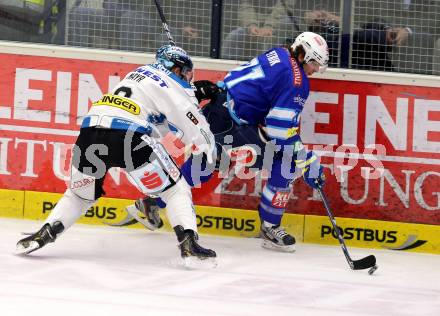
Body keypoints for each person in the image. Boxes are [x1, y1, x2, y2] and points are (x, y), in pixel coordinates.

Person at [16, 44, 218, 264]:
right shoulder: (170, 83)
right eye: (187, 72)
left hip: (89, 134)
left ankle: (46, 232)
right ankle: (188, 242)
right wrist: (209, 150)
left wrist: (191, 95)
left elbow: (159, 122)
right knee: (175, 189)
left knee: (80, 195)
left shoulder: (136, 74)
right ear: (177, 69)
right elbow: (192, 121)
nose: (188, 78)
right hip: (128, 137)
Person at [135, 32, 328, 253]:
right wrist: (307, 160)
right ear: (302, 55)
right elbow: (280, 128)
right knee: (286, 162)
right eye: (313, 63)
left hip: (221, 105)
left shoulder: (279, 53)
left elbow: (262, 97)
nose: (314, 70)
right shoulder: (297, 82)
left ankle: (152, 203)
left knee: (204, 167)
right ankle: (270, 226)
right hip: (232, 121)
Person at [222, 0, 298, 60]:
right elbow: (245, 5)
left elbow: (284, 7)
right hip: (252, 20)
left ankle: (266, 70)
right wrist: (251, 25)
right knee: (235, 35)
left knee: (271, 37)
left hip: (278, 22)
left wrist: (269, 26)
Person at [68, 0, 152, 50]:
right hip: (114, 16)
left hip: (142, 19)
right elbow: (106, 3)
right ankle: (78, 58)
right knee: (79, 13)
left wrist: (112, 7)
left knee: (129, 18)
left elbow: (139, 7)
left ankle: (126, 63)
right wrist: (112, 7)